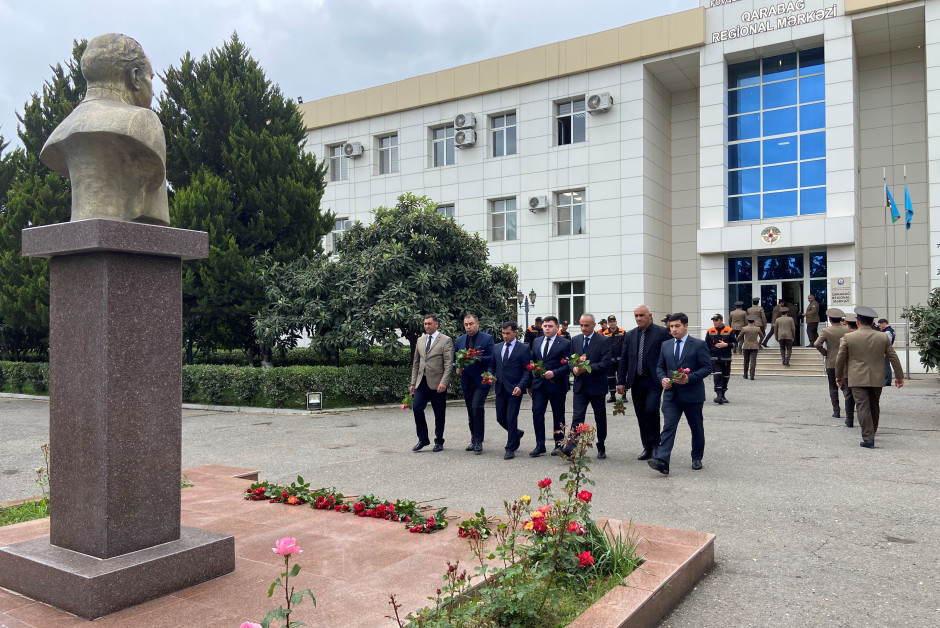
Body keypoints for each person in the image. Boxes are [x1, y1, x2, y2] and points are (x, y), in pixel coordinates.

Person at [40, 34, 169, 225]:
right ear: (134, 77)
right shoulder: (140, 121)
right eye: (149, 78)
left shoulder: (61, 130)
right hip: (128, 232)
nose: (153, 90)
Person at [648, 312, 714, 475]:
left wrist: (689, 378)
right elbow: (660, 367)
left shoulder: (698, 344)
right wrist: (662, 379)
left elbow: (707, 367)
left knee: (696, 427)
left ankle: (696, 457)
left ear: (685, 326)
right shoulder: (666, 345)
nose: (673, 329)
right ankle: (663, 461)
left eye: (677, 326)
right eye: (671, 326)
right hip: (671, 395)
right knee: (668, 427)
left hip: (692, 395)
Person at [836, 306, 904, 448]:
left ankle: (868, 437)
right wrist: (899, 376)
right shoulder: (882, 336)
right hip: (877, 377)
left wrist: (839, 376)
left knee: (862, 406)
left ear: (858, 322)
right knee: (874, 405)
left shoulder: (848, 337)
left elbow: (840, 358)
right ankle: (872, 431)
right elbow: (893, 356)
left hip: (856, 377)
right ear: (873, 322)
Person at [617, 304, 671, 460]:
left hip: (654, 380)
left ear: (650, 316)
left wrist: (668, 376)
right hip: (636, 381)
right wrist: (621, 381)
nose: (638, 318)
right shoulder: (630, 334)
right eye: (636, 315)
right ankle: (647, 447)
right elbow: (624, 359)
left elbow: (668, 356)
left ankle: (656, 445)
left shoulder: (662, 333)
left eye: (641, 315)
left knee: (651, 411)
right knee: (641, 414)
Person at [569, 314, 612, 459]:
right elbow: (570, 360)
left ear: (594, 325)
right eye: (581, 325)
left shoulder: (603, 340)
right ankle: (571, 447)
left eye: (586, 325)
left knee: (600, 417)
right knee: (577, 417)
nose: (583, 328)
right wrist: (573, 368)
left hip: (596, 387)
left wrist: (586, 369)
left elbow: (605, 364)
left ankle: (601, 444)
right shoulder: (575, 340)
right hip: (580, 387)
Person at [409, 315, 455, 452]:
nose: (427, 326)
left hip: (437, 383)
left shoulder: (445, 340)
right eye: (425, 324)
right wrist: (413, 383)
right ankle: (423, 439)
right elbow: (416, 363)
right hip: (421, 382)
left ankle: (439, 440)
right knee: (417, 408)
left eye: (429, 324)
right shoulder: (420, 340)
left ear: (436, 324)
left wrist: (444, 382)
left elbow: (448, 363)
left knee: (439, 413)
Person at [528, 316, 571, 456]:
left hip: (557, 385)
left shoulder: (565, 343)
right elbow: (532, 362)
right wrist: (529, 383)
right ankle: (540, 445)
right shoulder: (537, 341)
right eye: (545, 326)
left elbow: (569, 365)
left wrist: (555, 373)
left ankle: (559, 444)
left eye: (550, 326)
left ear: (557, 327)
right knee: (537, 413)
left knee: (558, 415)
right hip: (539, 385)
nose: (547, 328)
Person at [453, 314, 494, 454]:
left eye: (471, 324)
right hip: (466, 380)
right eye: (466, 324)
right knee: (471, 411)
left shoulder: (487, 338)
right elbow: (455, 359)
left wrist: (477, 358)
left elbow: (492, 358)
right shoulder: (460, 340)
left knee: (477, 408)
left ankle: (478, 441)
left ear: (477, 324)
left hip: (481, 380)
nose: (468, 327)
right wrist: (457, 368)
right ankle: (473, 439)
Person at [492, 322, 532, 459]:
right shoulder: (497, 347)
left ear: (515, 333)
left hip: (515, 389)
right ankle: (516, 433)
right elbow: (492, 366)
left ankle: (510, 448)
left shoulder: (523, 349)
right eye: (503, 333)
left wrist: (521, 386)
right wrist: (489, 375)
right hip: (500, 388)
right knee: (500, 418)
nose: (505, 336)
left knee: (511, 417)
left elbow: (527, 370)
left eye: (508, 333)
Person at [813, 308, 854, 426]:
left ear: (830, 320)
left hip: (831, 362)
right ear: (841, 319)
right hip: (845, 362)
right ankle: (849, 411)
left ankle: (836, 411)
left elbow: (817, 343)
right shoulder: (848, 330)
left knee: (832, 386)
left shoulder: (826, 331)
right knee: (846, 387)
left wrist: (826, 353)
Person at [706, 313, 736, 403]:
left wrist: (726, 345)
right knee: (717, 375)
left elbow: (735, 344)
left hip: (726, 358)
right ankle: (718, 394)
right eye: (713, 320)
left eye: (716, 320)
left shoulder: (729, 330)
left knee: (725, 377)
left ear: (721, 320)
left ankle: (722, 395)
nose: (714, 322)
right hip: (714, 358)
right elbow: (706, 345)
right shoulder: (710, 331)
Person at [602, 315, 626, 402]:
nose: (612, 323)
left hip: (620, 360)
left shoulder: (622, 332)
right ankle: (612, 396)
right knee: (610, 378)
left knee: (622, 377)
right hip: (609, 361)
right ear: (608, 323)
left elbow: (626, 345)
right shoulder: (604, 333)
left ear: (616, 322)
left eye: (614, 321)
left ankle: (624, 396)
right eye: (610, 322)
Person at [739, 315, 762, 379]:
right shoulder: (757, 328)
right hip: (754, 346)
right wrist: (759, 342)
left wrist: (736, 341)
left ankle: (745, 374)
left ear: (747, 321)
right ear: (754, 321)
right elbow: (762, 336)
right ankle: (752, 375)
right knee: (753, 361)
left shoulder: (744, 328)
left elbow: (739, 336)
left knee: (746, 361)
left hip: (746, 346)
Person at [878, 319, 897, 386]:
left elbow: (886, 343)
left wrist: (884, 351)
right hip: (887, 350)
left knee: (886, 366)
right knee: (886, 365)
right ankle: (886, 380)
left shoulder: (887, 332)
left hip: (885, 351)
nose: (879, 327)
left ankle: (887, 381)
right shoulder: (891, 330)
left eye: (880, 325)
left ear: (884, 323)